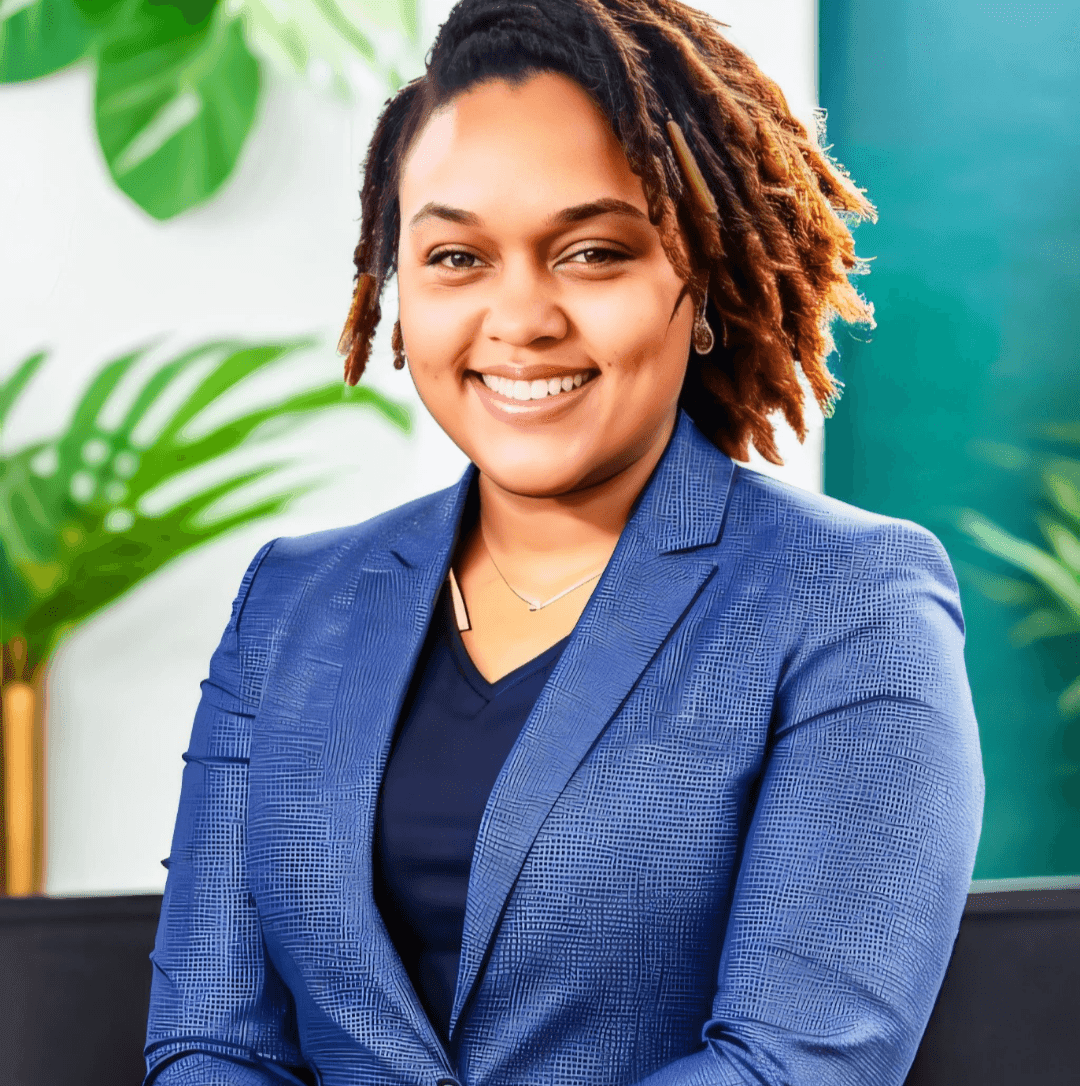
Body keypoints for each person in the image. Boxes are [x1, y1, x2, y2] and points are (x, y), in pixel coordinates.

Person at [143, 1, 985, 1084]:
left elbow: (794, 1065)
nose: (521, 317)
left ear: (702, 281)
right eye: (456, 257)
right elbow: (210, 1039)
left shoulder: (850, 599)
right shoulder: (293, 600)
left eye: (592, 252)